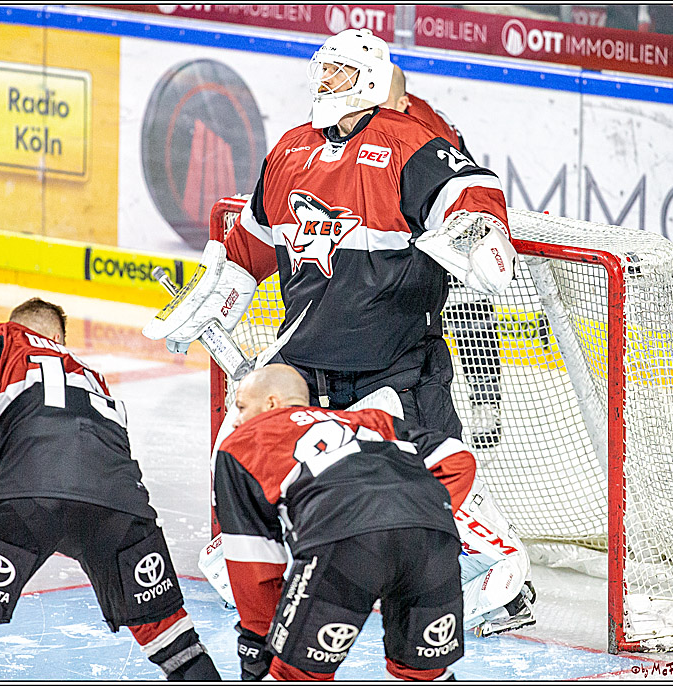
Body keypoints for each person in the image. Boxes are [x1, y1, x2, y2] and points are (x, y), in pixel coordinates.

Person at [146, 29, 533, 638]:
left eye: (341, 72)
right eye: (322, 71)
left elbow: (470, 191)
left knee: (433, 480)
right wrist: (216, 293)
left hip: (395, 358)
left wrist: (479, 230)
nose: (325, 82)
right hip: (307, 357)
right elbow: (250, 244)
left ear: (371, 79)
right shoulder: (289, 150)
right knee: (245, 448)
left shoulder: (408, 142)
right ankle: (267, 565)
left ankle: (508, 580)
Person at [0, 298, 221, 681]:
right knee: (173, 639)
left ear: (15, 325)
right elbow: (68, 470)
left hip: (28, 501)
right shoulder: (94, 379)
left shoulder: (2, 340)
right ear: (59, 338)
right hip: (119, 504)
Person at [213, 364, 465, 681]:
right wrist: (417, 512)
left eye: (241, 407)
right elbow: (456, 457)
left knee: (297, 674)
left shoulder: (242, 442)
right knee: (424, 672)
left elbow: (253, 555)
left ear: (272, 403)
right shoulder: (370, 419)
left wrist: (258, 638)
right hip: (431, 540)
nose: (236, 420)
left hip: (344, 543)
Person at [380, 64, 504, 450]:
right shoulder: (373, 117)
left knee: (468, 304)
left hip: (447, 221)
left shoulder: (424, 129)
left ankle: (485, 402)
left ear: (402, 103)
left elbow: (460, 189)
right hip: (406, 219)